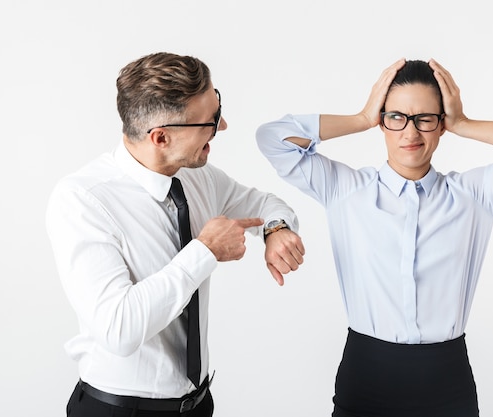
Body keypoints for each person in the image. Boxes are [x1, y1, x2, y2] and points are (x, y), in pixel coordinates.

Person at [256, 58, 493, 417]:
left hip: (447, 382)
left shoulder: (473, 195)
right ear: (382, 121)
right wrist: (360, 118)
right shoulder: (345, 189)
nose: (411, 133)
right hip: (365, 377)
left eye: (425, 119)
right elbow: (272, 138)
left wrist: (465, 124)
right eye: (397, 118)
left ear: (441, 126)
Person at [46, 52, 305, 417]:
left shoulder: (196, 176)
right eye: (209, 122)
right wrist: (205, 251)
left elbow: (263, 203)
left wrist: (275, 229)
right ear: (161, 137)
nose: (224, 126)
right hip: (120, 410)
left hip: (198, 405)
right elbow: (118, 330)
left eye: (218, 108)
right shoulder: (83, 200)